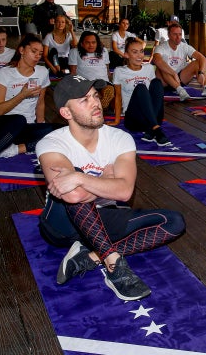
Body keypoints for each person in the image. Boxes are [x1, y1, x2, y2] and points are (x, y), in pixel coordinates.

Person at [37, 75, 185, 301]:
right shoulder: (51, 143)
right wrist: (106, 180)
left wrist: (78, 177)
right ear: (66, 113)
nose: (96, 103)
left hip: (102, 219)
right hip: (61, 225)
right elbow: (75, 195)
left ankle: (92, 256)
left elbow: (125, 192)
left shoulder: (120, 138)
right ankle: (114, 263)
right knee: (77, 196)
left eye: (95, 96)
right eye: (84, 100)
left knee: (174, 222)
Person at [0, 34, 57, 178]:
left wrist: (41, 126)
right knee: (19, 119)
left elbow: (40, 102)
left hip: (24, 129)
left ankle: (13, 150)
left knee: (59, 130)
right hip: (2, 126)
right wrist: (22, 94)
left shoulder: (42, 72)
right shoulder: (4, 74)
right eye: (33, 51)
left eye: (40, 53)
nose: (37, 56)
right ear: (21, 50)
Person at [111, 37, 171, 146]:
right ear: (126, 55)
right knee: (140, 88)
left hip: (152, 116)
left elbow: (155, 94)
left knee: (157, 82)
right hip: (134, 119)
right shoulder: (120, 71)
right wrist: (117, 120)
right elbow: (118, 96)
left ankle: (152, 128)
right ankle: (156, 130)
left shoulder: (148, 68)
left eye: (141, 51)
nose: (139, 55)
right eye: (134, 52)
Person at [151, 21, 206, 102]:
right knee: (161, 66)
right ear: (169, 35)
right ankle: (180, 90)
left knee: (197, 62)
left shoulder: (185, 46)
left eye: (180, 34)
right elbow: (156, 60)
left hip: (180, 79)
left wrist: (201, 73)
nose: (178, 37)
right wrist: (173, 73)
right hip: (165, 82)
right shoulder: (161, 47)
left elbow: (203, 58)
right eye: (175, 34)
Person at [69, 31, 114, 108]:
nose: (91, 45)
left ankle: (97, 101)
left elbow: (107, 69)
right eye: (87, 43)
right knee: (88, 91)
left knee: (109, 89)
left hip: (103, 82)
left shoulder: (104, 51)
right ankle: (99, 102)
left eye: (94, 42)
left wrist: (112, 81)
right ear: (82, 43)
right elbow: (73, 72)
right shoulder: (75, 52)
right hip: (85, 83)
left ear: (97, 43)